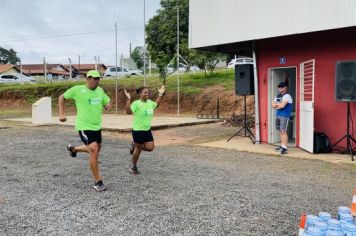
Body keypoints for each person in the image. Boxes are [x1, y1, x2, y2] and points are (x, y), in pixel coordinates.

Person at [58, 70, 112, 191]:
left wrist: (108, 105)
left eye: (97, 78)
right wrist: (61, 113)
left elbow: (106, 101)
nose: (94, 80)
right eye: (91, 78)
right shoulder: (77, 90)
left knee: (95, 151)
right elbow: (62, 97)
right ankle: (98, 181)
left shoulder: (100, 91)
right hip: (84, 126)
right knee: (93, 150)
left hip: (97, 126)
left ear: (99, 80)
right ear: (86, 79)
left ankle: (74, 149)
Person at [124, 85, 165, 175]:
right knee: (138, 149)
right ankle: (133, 167)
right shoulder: (136, 103)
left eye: (148, 92)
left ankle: (135, 146)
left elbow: (156, 104)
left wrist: (160, 94)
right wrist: (128, 99)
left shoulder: (150, 102)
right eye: (145, 92)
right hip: (138, 130)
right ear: (139, 94)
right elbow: (128, 112)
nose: (147, 94)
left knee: (150, 148)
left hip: (147, 130)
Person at [272, 81, 293, 155]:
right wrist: (279, 104)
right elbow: (272, 105)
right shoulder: (277, 95)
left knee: (283, 131)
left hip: (284, 116)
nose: (280, 88)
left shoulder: (287, 96)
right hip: (278, 115)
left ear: (285, 87)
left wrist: (277, 105)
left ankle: (285, 148)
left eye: (282, 87)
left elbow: (282, 106)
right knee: (280, 131)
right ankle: (282, 146)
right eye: (279, 87)